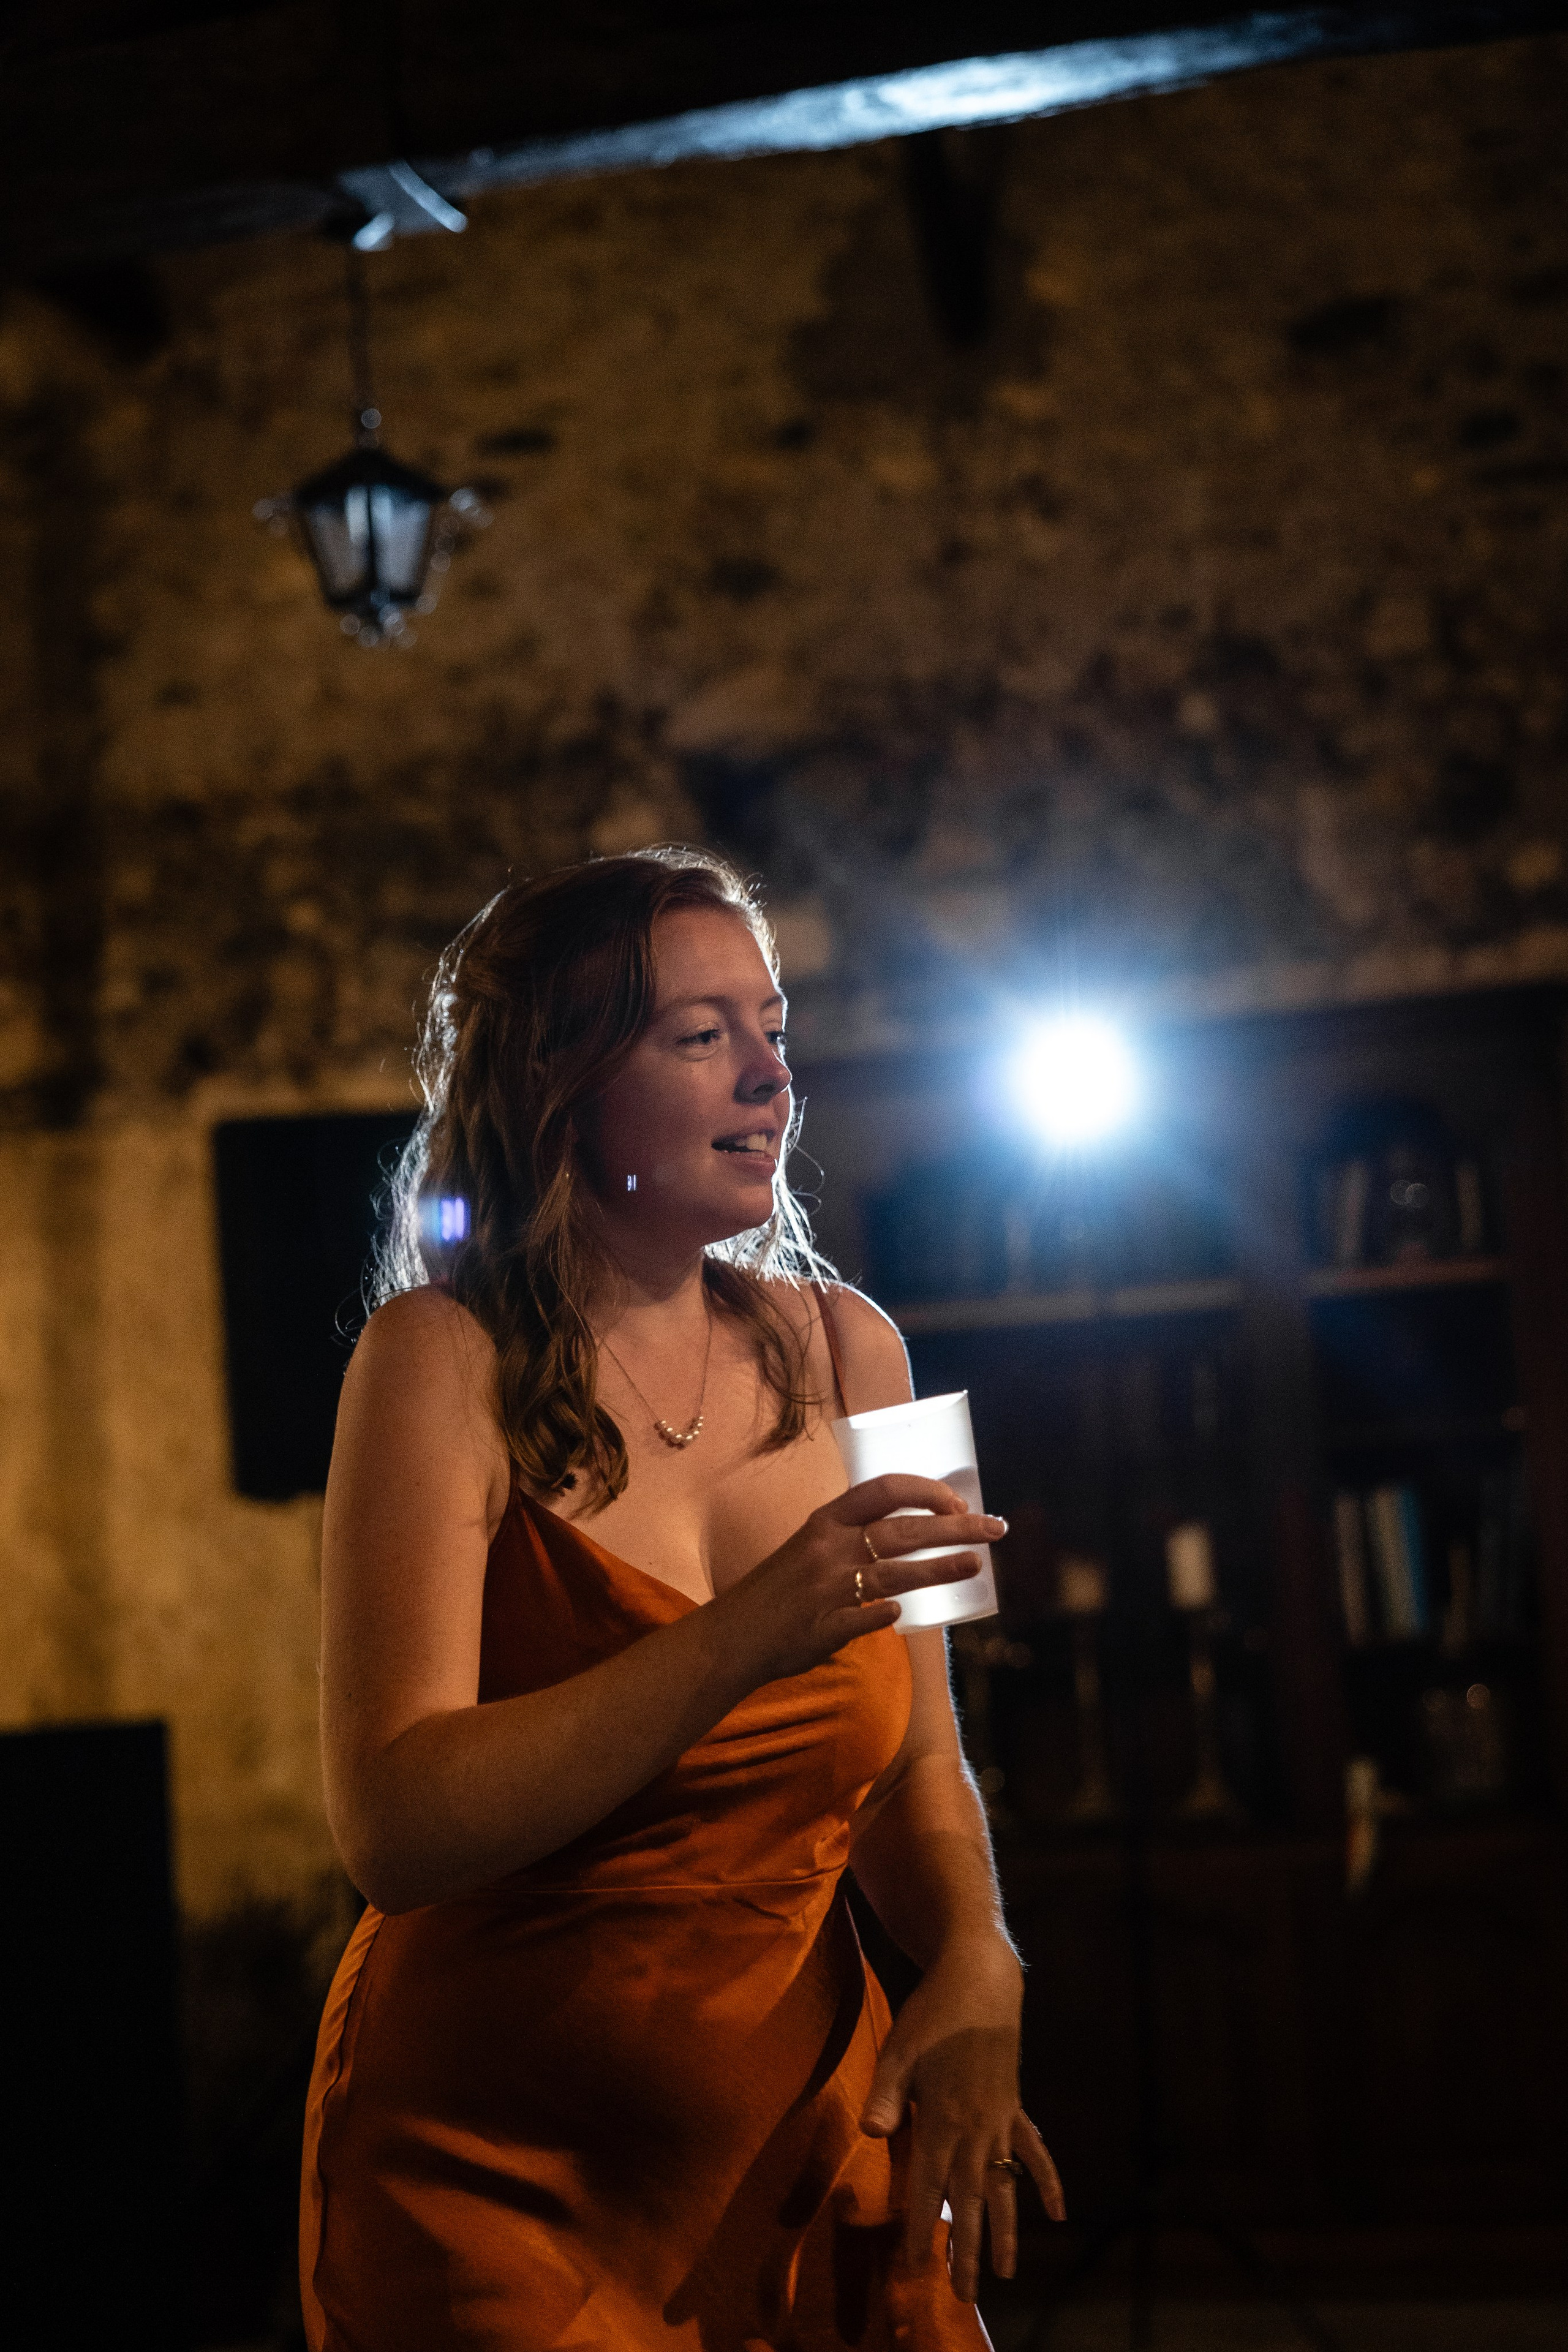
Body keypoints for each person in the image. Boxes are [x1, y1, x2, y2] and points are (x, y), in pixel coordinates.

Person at [300, 846, 1064, 2351]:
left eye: (773, 1029)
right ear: (559, 1083)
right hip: (493, 2184)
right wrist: (748, 1634)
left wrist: (978, 1956)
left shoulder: (865, 1351)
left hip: (799, 2145)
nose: (770, 1077)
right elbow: (391, 1830)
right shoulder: (430, 1359)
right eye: (701, 1036)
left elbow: (922, 1759)